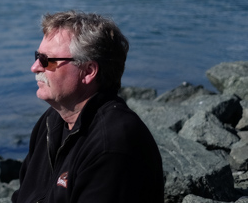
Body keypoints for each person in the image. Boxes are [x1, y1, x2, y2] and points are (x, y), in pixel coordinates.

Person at [11, 10, 164, 203]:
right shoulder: (50, 122)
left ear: (88, 71)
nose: (35, 67)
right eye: (37, 56)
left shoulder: (112, 144)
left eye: (46, 60)